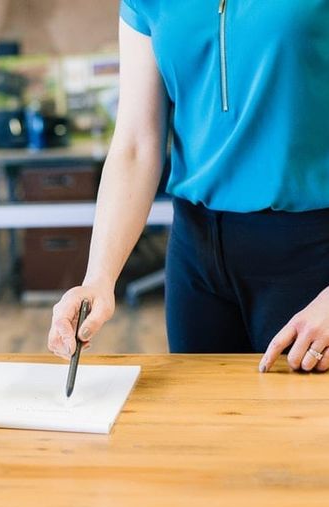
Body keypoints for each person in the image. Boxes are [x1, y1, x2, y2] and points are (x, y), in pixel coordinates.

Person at [48, 1, 329, 374]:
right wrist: (98, 278)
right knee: (201, 427)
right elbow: (135, 144)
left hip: (311, 254)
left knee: (302, 429)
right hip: (196, 257)